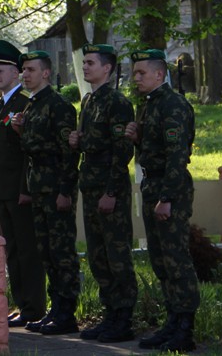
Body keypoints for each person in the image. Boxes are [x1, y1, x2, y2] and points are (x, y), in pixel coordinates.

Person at [125, 49, 199, 352]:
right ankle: (172, 320)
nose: (136, 77)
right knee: (159, 259)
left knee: (176, 259)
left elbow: (177, 155)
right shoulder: (150, 104)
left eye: (142, 72)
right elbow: (155, 147)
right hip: (153, 184)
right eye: (135, 72)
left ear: (159, 74)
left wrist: (167, 197)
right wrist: (138, 138)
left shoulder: (173, 104)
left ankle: (185, 328)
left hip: (171, 187)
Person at [68, 44, 137, 342]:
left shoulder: (117, 103)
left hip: (110, 188)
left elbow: (122, 151)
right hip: (91, 186)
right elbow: (90, 142)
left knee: (117, 255)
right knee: (98, 256)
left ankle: (124, 319)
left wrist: (111, 192)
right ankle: (110, 314)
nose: (85, 67)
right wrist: (77, 141)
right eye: (84, 62)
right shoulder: (89, 100)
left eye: (90, 63)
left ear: (106, 68)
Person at [11, 50, 79, 335]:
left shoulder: (58, 106)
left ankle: (67, 313)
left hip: (55, 188)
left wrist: (65, 191)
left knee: (62, 251)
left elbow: (68, 153)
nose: (25, 74)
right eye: (24, 70)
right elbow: (32, 151)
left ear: (46, 73)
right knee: (47, 252)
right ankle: (56, 309)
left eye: (31, 70)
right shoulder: (33, 105)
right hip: (39, 188)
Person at [0, 40, 46, 328]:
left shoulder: (23, 104)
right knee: (12, 249)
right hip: (5, 189)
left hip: (20, 191)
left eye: (1, 70)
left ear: (15, 73)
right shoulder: (1, 106)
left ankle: (34, 307)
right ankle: (22, 304)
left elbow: (27, 155)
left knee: (27, 250)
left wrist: (25, 189)